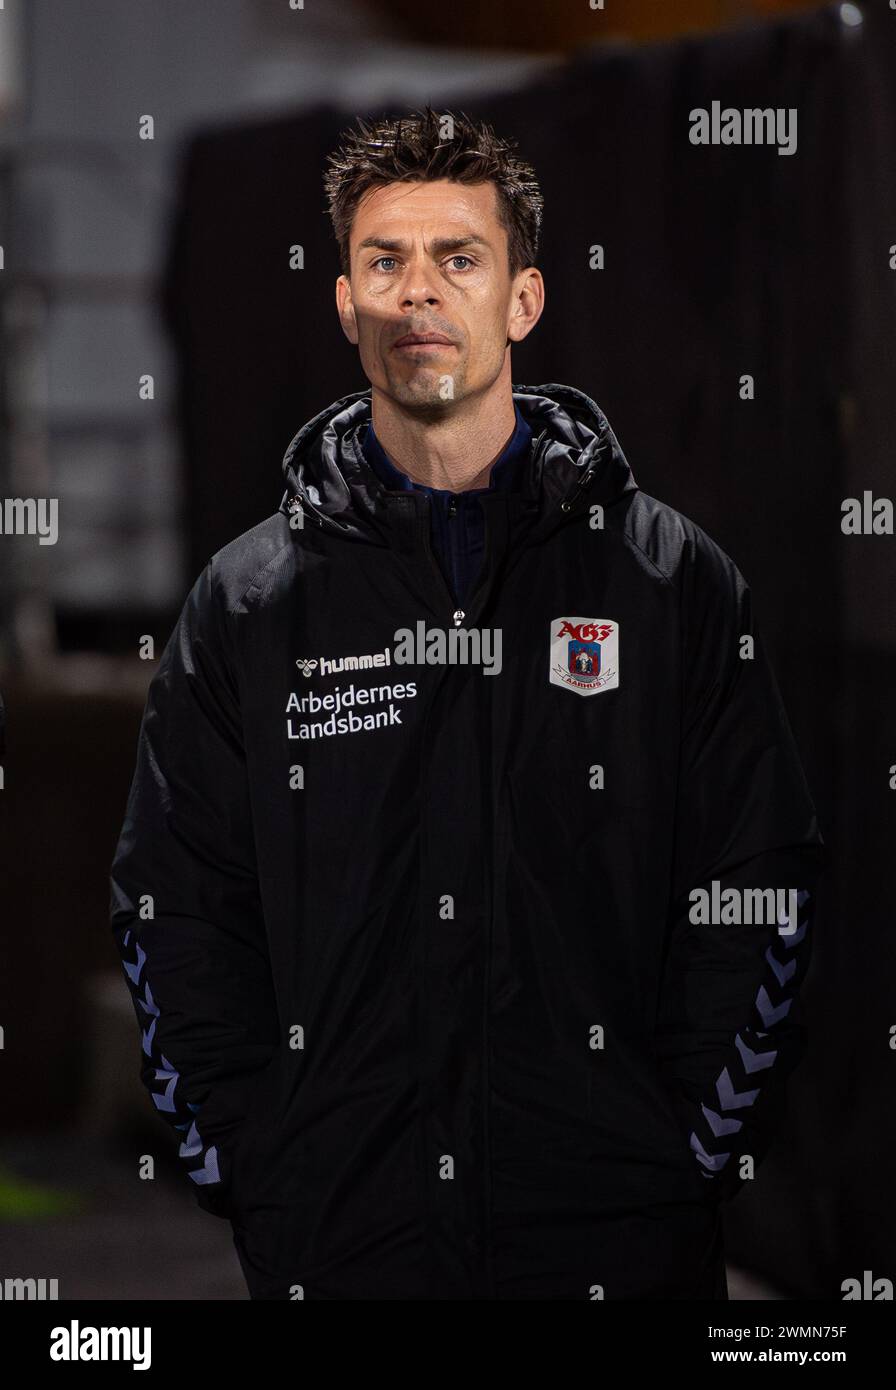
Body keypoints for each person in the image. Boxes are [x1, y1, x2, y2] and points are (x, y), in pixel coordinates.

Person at [109, 107, 826, 1300]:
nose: (414, 294)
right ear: (344, 304)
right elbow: (172, 904)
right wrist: (250, 1155)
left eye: (457, 258)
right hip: (343, 1243)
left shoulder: (660, 578)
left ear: (523, 300)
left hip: (613, 1240)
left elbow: (760, 877)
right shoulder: (249, 603)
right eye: (382, 261)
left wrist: (681, 1144)